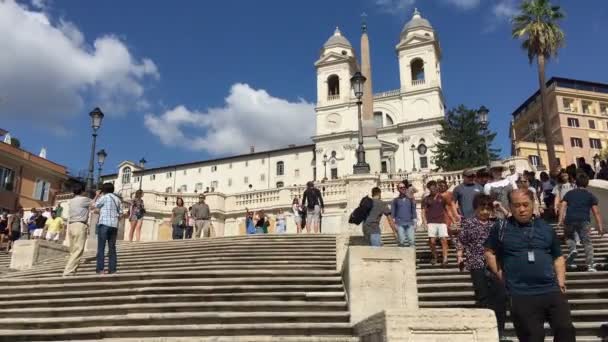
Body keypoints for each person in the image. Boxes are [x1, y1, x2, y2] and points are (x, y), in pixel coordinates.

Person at [485, 189, 575, 342]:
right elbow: (489, 253)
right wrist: (501, 275)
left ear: (533, 204)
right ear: (510, 207)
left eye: (525, 205)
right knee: (533, 337)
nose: (521, 209)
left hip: (551, 290)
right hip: (521, 294)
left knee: (566, 330)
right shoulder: (501, 228)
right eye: (516, 205)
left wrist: (560, 282)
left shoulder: (546, 228)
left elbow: (558, 257)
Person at [456, 194, 507, 341]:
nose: (485, 212)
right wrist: (460, 256)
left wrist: (501, 208)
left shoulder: (496, 223)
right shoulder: (469, 223)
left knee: (500, 297)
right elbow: (461, 240)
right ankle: (485, 331)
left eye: (487, 208)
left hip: (496, 264)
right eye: (482, 208)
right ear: (476, 208)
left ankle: (500, 331)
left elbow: (512, 221)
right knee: (483, 297)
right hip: (476, 263)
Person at [558, 172, 605, 272]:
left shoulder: (570, 193)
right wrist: (600, 227)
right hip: (584, 220)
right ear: (587, 184)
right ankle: (590, 265)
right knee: (587, 242)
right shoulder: (590, 195)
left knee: (568, 237)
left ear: (576, 183)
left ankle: (573, 249)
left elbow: (562, 205)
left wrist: (560, 219)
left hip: (570, 219)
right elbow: (596, 212)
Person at [422, 180, 457, 266]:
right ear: (429, 189)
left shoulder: (442, 198)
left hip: (441, 221)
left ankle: (445, 258)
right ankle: (435, 256)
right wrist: (424, 222)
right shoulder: (426, 199)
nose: (433, 189)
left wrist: (453, 220)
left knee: (444, 240)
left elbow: (447, 210)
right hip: (431, 222)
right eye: (431, 188)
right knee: (432, 241)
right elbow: (423, 211)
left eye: (434, 187)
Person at [63, 183, 93, 276]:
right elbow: (95, 204)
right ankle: (68, 271)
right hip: (80, 225)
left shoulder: (71, 201)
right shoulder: (84, 199)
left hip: (71, 225)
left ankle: (73, 270)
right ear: (83, 191)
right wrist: (97, 195)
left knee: (73, 250)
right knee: (78, 249)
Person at [94, 182, 123, 275]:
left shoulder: (104, 197)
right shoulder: (118, 199)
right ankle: (112, 269)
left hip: (104, 224)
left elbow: (94, 205)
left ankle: (100, 269)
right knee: (112, 248)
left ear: (104, 190)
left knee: (101, 248)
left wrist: (97, 195)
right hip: (114, 226)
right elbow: (121, 213)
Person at [391, 181, 417, 247]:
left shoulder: (410, 199)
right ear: (398, 189)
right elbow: (393, 213)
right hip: (399, 223)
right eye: (401, 187)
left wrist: (415, 221)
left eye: (404, 187)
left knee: (412, 241)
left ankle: (411, 257)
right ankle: (402, 256)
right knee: (401, 241)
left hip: (410, 223)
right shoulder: (395, 200)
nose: (403, 188)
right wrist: (394, 224)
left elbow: (413, 210)